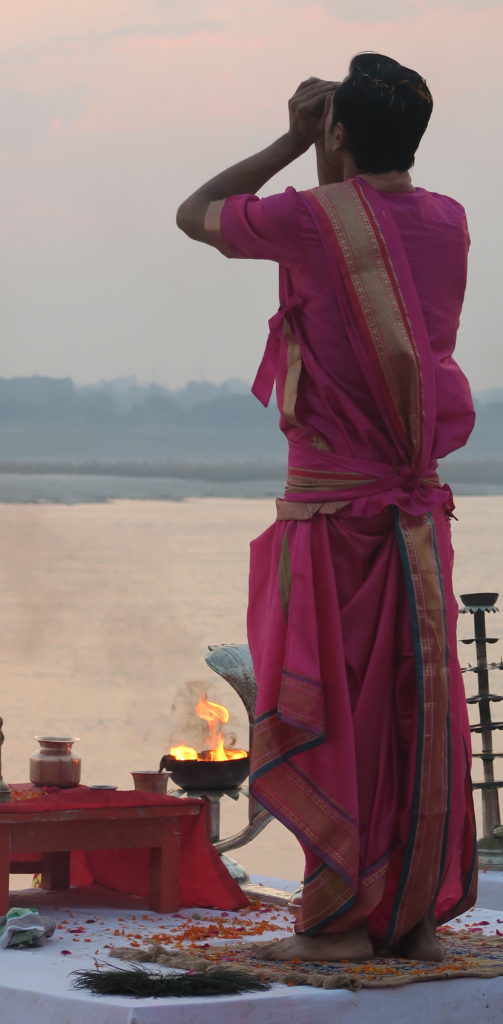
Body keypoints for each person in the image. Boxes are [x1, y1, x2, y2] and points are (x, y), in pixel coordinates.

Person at [176, 54, 477, 961]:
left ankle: (340, 919)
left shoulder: (313, 219)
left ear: (337, 135)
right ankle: (407, 917)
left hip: (332, 520)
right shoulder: (448, 221)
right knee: (410, 704)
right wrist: (333, 139)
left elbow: (195, 216)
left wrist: (291, 136)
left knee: (337, 713)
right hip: (411, 518)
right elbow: (349, 243)